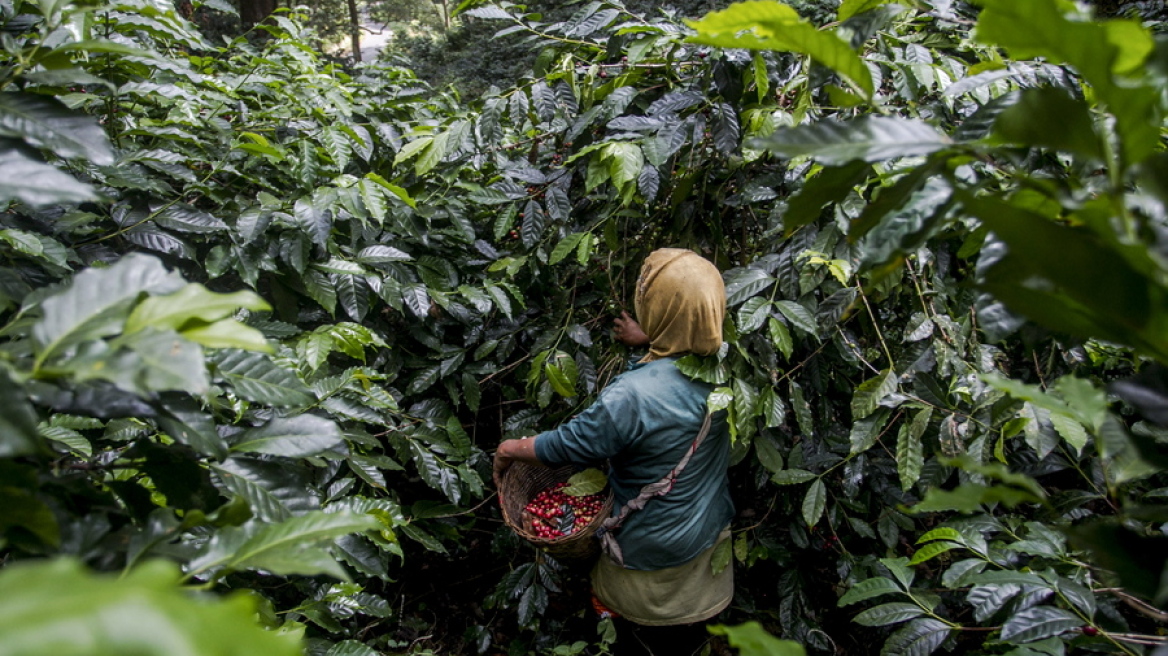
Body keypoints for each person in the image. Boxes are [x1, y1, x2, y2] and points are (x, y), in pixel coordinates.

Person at [494, 248, 734, 656]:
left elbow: (570, 444)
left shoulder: (630, 396)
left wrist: (510, 448)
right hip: (709, 536)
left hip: (650, 554)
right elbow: (674, 383)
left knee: (632, 638)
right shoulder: (725, 363)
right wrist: (653, 339)